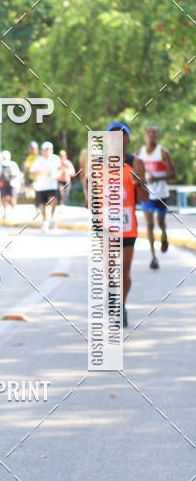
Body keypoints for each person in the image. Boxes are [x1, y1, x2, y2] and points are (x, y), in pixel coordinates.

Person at [86, 122, 148, 327]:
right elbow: (90, 196)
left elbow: (145, 198)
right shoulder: (97, 165)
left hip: (127, 225)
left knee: (125, 271)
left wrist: (137, 183)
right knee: (111, 267)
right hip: (105, 225)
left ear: (127, 140)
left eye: (121, 136)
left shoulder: (135, 163)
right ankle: (113, 290)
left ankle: (121, 306)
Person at [137, 125, 177, 270]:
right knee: (149, 224)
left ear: (157, 135)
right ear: (145, 135)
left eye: (154, 132)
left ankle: (164, 234)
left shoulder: (163, 152)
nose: (151, 135)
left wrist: (157, 178)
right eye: (149, 132)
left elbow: (173, 174)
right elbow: (132, 171)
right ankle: (153, 257)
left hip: (161, 194)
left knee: (160, 223)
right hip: (146, 195)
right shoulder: (139, 153)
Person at [30, 141, 61, 229]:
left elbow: (60, 170)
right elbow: (32, 173)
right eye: (45, 150)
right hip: (41, 186)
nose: (47, 151)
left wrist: (57, 175)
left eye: (48, 149)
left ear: (51, 150)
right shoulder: (38, 160)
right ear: (42, 150)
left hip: (52, 185)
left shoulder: (56, 159)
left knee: (54, 201)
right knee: (42, 204)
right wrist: (38, 173)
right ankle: (45, 221)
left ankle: (52, 218)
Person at [0, 150, 21, 219]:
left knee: (10, 198)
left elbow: (16, 175)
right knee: (7, 198)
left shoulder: (11, 164)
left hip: (10, 183)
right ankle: (8, 213)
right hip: (8, 183)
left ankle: (11, 212)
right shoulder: (12, 164)